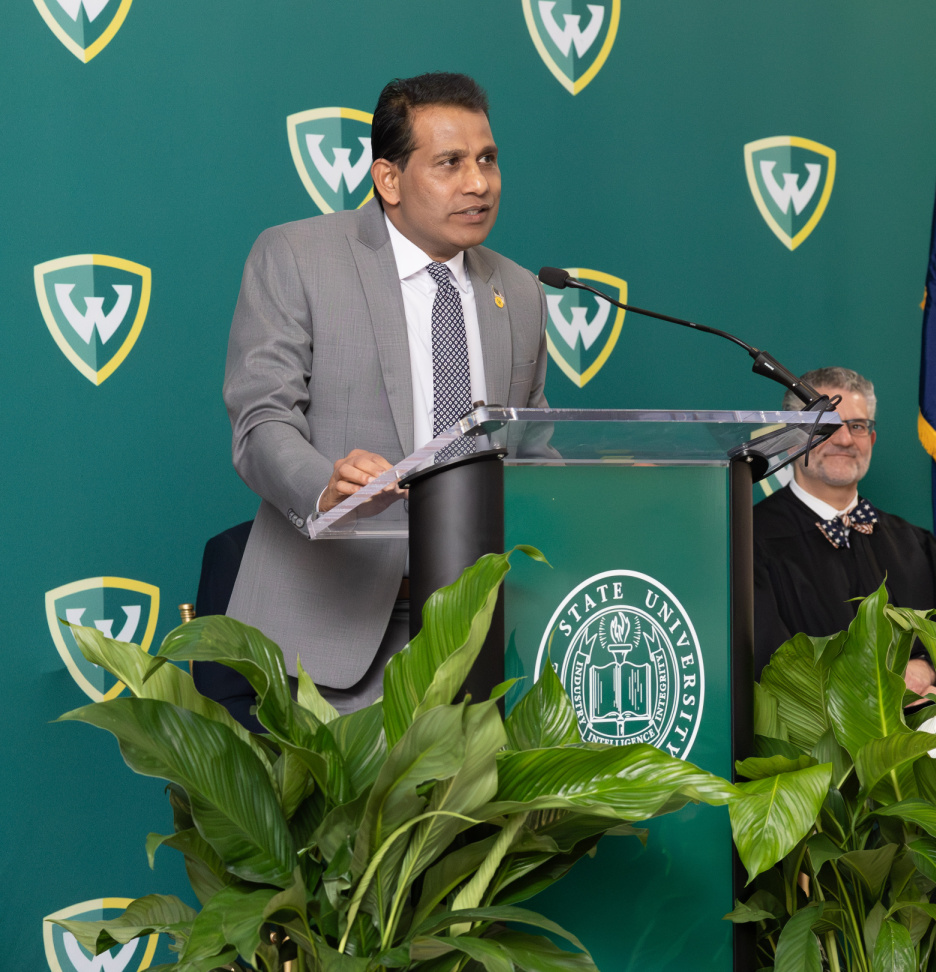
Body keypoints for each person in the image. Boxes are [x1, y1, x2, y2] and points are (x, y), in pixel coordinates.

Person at [219, 72, 548, 713]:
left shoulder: (522, 292)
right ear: (388, 179)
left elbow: (532, 447)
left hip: (482, 632)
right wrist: (327, 488)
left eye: (487, 160)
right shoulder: (297, 256)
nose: (478, 183)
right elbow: (261, 420)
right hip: (332, 628)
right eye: (450, 163)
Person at [754, 367, 936, 702]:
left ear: (872, 439)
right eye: (826, 427)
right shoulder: (750, 542)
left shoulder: (916, 545)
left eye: (857, 426)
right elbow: (769, 671)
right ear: (792, 437)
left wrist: (927, 668)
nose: (844, 439)